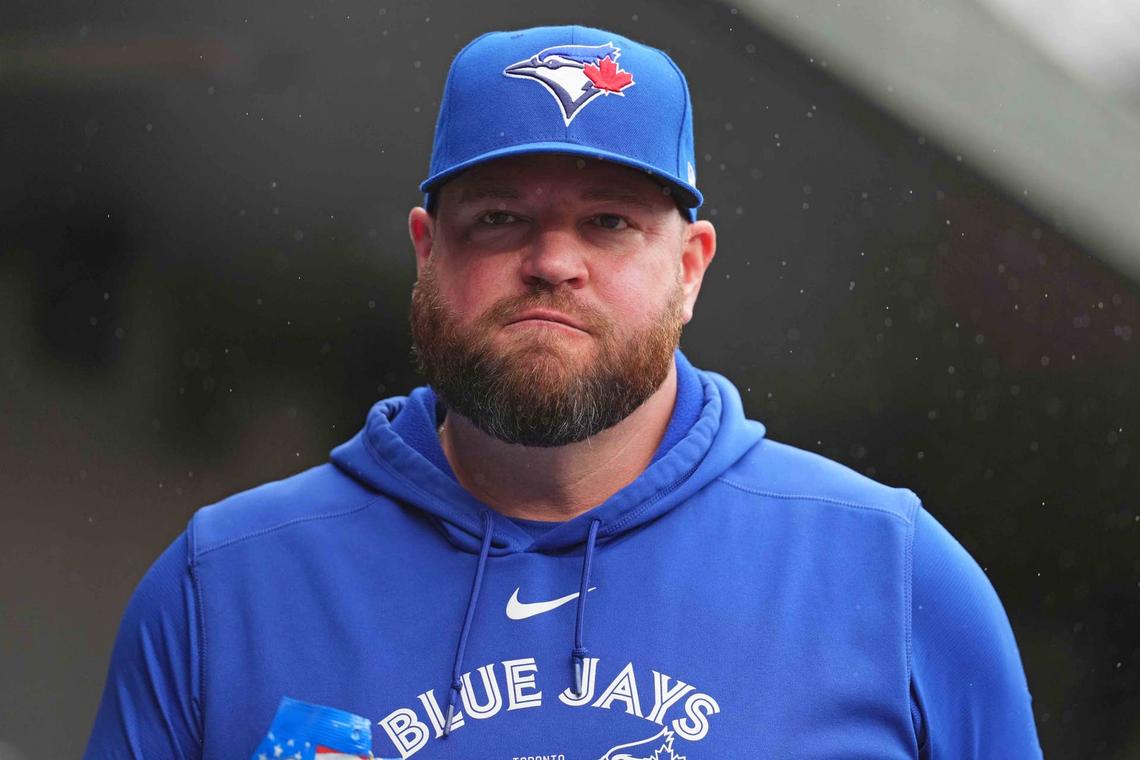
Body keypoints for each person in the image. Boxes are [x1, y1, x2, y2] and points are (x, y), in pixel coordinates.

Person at [83, 24, 1044, 759]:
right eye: (500, 217)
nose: (552, 262)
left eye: (611, 222)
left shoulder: (894, 582)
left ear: (692, 267)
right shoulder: (227, 589)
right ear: (426, 250)